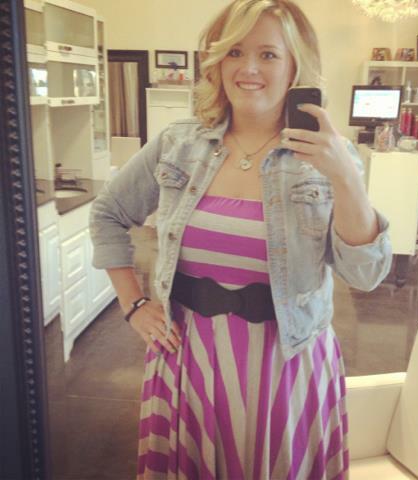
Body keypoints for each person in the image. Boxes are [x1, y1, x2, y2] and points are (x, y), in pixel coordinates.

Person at [89, 0, 392, 478]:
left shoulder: (330, 156)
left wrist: (346, 178)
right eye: (234, 52)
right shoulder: (178, 144)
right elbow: (108, 213)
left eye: (268, 54)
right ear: (216, 62)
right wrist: (133, 304)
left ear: (295, 66)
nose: (248, 68)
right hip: (188, 357)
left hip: (287, 362)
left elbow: (366, 274)